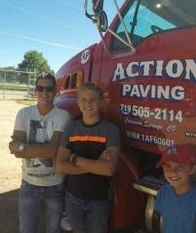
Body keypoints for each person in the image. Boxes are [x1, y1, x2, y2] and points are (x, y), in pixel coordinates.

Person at [8, 73, 71, 233]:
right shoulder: (23, 113)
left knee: (53, 229)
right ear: (35, 90)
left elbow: (52, 151)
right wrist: (22, 149)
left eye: (49, 88)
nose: (44, 92)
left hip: (55, 186)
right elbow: (15, 152)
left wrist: (21, 147)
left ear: (55, 91)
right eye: (40, 88)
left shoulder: (62, 116)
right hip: (29, 184)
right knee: (27, 229)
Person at [56, 82, 120, 233]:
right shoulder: (71, 128)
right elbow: (60, 166)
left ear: (101, 103)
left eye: (93, 100)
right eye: (83, 99)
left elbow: (108, 170)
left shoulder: (110, 130)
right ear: (78, 102)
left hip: (99, 201)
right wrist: (96, 165)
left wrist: (74, 159)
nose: (88, 103)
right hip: (72, 199)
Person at [154, 144, 196, 233]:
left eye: (179, 167)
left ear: (192, 169)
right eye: (168, 166)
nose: (173, 172)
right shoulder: (163, 192)